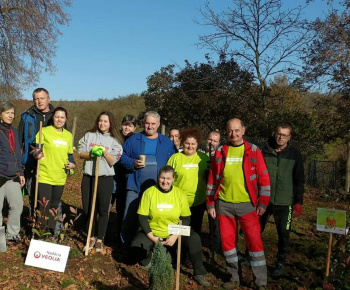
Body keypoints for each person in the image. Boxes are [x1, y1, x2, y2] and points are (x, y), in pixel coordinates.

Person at [207, 118, 270, 289]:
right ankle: (234, 277)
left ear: (243, 130)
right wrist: (211, 204)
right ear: (226, 132)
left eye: (236, 130)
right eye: (229, 131)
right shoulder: (220, 151)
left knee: (255, 244)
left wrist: (263, 203)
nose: (233, 134)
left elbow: (264, 178)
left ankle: (260, 282)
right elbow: (212, 180)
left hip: (248, 205)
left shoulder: (253, 150)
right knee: (228, 244)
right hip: (224, 205)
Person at [131, 165, 211, 287]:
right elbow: (142, 217)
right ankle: (149, 264)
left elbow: (186, 218)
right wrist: (152, 237)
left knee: (194, 238)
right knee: (136, 246)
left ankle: (199, 272)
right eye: (162, 178)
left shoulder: (179, 194)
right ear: (158, 178)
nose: (165, 181)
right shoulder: (149, 193)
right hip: (154, 230)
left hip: (173, 230)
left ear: (173, 179)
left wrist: (175, 235)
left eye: (168, 178)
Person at [119, 111, 176, 246]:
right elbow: (122, 157)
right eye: (147, 123)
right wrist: (133, 163)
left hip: (158, 189)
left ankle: (151, 247)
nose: (149, 126)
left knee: (154, 219)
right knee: (129, 217)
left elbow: (174, 162)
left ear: (158, 125)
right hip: (135, 186)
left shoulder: (167, 143)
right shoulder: (134, 139)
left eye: (153, 124)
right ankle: (126, 246)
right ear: (143, 123)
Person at [260, 123, 304, 277]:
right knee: (256, 230)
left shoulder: (295, 154)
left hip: (285, 202)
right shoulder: (264, 150)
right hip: (264, 200)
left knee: (283, 233)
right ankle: (251, 255)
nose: (280, 137)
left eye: (284, 135)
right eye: (279, 134)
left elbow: (299, 180)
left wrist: (298, 202)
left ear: (289, 137)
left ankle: (280, 262)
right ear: (274, 133)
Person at [78, 111, 123, 252]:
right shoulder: (89, 135)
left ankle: (100, 239)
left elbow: (113, 160)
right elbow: (80, 153)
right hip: (89, 176)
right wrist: (92, 153)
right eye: (100, 120)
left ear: (110, 124)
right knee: (88, 208)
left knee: (103, 209)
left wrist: (104, 152)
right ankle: (90, 236)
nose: (102, 123)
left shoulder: (115, 140)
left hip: (105, 178)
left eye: (105, 121)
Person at [33, 107, 75, 233]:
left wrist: (72, 165)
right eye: (57, 116)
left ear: (66, 119)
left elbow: (70, 156)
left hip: (60, 176)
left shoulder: (68, 135)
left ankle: (50, 231)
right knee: (43, 206)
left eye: (62, 117)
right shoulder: (43, 131)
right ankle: (41, 233)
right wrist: (37, 153)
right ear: (53, 117)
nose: (59, 119)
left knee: (54, 206)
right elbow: (35, 151)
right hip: (45, 174)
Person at [18, 88, 56, 212]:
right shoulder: (27, 116)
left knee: (49, 198)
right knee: (33, 196)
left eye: (42, 98)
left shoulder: (56, 116)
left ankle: (48, 226)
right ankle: (33, 224)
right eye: (36, 99)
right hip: (31, 163)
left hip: (51, 164)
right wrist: (19, 163)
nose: (39, 101)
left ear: (48, 99)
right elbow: (19, 141)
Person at [167, 127, 208, 236]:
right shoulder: (175, 158)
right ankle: (177, 252)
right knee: (178, 232)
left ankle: (193, 252)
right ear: (182, 143)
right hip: (178, 202)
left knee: (194, 232)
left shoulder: (203, 158)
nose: (190, 146)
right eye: (187, 143)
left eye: (193, 144)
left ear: (197, 144)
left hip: (197, 202)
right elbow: (167, 178)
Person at [0, 102, 25, 242]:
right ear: (0, 114)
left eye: (12, 113)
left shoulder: (14, 132)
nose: (10, 115)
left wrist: (20, 172)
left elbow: (17, 154)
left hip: (13, 175)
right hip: (0, 175)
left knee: (17, 205)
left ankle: (12, 234)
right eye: (7, 112)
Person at [110, 114, 137, 242]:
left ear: (135, 127)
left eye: (130, 125)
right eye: (125, 124)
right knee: (106, 207)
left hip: (126, 179)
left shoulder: (135, 140)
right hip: (111, 176)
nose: (127, 128)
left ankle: (119, 234)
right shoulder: (115, 136)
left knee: (121, 209)